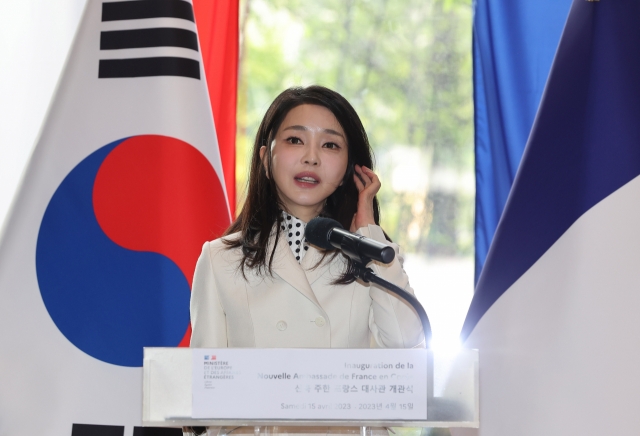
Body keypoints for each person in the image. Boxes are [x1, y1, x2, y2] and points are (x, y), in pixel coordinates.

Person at [187, 86, 424, 436]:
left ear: (348, 171)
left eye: (330, 145)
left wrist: (368, 231)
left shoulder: (372, 256)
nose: (311, 157)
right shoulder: (221, 259)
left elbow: (405, 351)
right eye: (296, 140)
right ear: (267, 158)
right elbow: (204, 400)